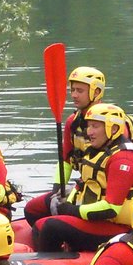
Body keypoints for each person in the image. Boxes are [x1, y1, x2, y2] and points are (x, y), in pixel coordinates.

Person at [32, 101, 133, 252]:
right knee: (37, 217)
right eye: (88, 126)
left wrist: (71, 210)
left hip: (124, 228)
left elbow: (111, 209)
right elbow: (83, 185)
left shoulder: (123, 160)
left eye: (95, 127)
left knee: (50, 227)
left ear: (114, 128)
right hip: (98, 218)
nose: (89, 132)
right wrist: (65, 201)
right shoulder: (96, 152)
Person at [22, 64, 105, 224]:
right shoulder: (72, 123)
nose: (73, 95)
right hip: (84, 187)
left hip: (104, 192)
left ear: (96, 92)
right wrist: (57, 191)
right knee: (32, 209)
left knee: (52, 225)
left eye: (79, 91)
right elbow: (66, 161)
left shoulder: (113, 124)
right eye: (72, 90)